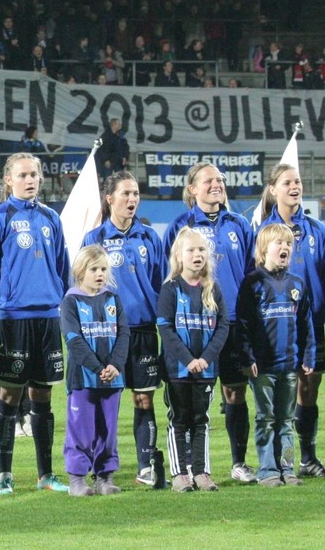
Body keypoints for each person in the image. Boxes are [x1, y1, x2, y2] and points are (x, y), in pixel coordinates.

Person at [0, 153, 70, 495]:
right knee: (9, 394)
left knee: (43, 395)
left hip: (47, 319)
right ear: (9, 180)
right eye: (23, 175)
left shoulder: (52, 218)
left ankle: (46, 475)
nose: (30, 180)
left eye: (34, 175)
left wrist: (74, 309)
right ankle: (5, 474)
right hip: (13, 319)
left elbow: (64, 270)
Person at [161, 163, 256, 483]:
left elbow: (251, 272)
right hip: (193, 328)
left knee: (235, 392)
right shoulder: (180, 225)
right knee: (189, 401)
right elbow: (169, 275)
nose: (217, 184)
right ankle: (185, 469)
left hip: (231, 325)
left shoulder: (239, 224)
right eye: (209, 180)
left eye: (220, 180)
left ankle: (238, 462)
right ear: (192, 189)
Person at [81, 172, 165, 486]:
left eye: (135, 193)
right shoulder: (94, 239)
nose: (132, 200)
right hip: (107, 334)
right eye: (125, 194)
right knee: (106, 400)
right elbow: (82, 287)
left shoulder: (150, 237)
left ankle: (146, 466)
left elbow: (158, 284)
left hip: (143, 330)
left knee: (144, 399)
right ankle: (101, 466)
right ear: (110, 198)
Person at [257, 163, 325, 478]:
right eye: (287, 182)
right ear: (273, 189)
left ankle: (307, 457)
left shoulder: (317, 229)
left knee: (309, 387)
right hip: (278, 324)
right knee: (279, 393)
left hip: (311, 322)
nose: (295, 187)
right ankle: (275, 462)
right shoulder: (263, 230)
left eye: (298, 181)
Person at [236, 224, 315, 487]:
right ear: (263, 249)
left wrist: (309, 357)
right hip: (263, 367)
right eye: (278, 243)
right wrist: (247, 358)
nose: (284, 248)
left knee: (286, 420)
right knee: (265, 419)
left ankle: (288, 467)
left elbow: (307, 324)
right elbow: (243, 325)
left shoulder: (297, 284)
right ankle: (267, 470)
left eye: (289, 244)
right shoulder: (252, 283)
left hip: (289, 365)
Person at [157, 228, 228, 493]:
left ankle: (201, 472)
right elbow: (165, 328)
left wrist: (206, 359)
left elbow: (223, 326)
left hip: (206, 371)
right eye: (191, 250)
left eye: (201, 250)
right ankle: (180, 473)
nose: (197, 255)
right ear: (179, 255)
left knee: (201, 420)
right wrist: (188, 360)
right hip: (178, 370)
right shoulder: (171, 289)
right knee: (179, 419)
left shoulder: (213, 289)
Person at [59, 245, 129, 497]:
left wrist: (116, 366)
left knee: (108, 430)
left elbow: (123, 334)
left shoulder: (113, 298)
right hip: (83, 379)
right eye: (94, 269)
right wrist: (99, 367)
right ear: (80, 271)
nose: (99, 274)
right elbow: (73, 340)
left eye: (103, 269)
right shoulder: (71, 301)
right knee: (81, 428)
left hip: (112, 378)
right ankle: (77, 479)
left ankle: (105, 477)